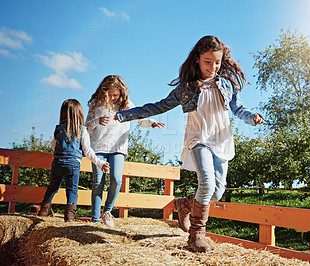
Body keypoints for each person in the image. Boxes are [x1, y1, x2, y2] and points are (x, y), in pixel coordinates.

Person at [115, 36, 264, 252]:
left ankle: (184, 205)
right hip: (198, 140)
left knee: (216, 193)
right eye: (207, 62)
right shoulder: (186, 88)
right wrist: (123, 115)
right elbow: (158, 106)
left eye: (217, 62)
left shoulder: (227, 85)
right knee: (206, 184)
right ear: (197, 59)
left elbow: (239, 109)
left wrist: (253, 117)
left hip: (221, 141)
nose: (213, 67)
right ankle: (196, 237)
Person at [85, 75, 165, 227]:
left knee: (116, 179)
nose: (113, 98)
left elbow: (140, 118)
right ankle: (95, 219)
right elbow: (86, 126)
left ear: (121, 94)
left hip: (118, 148)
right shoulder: (96, 104)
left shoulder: (127, 104)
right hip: (98, 148)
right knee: (98, 183)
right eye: (110, 95)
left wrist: (152, 123)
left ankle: (107, 212)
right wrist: (97, 121)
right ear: (104, 92)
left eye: (116, 95)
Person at [38, 99, 110, 222]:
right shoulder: (82, 130)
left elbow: (53, 146)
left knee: (52, 187)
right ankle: (69, 217)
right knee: (72, 190)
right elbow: (87, 151)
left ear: (63, 113)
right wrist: (100, 163)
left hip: (57, 163)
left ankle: (43, 211)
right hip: (73, 164)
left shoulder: (58, 128)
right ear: (79, 113)